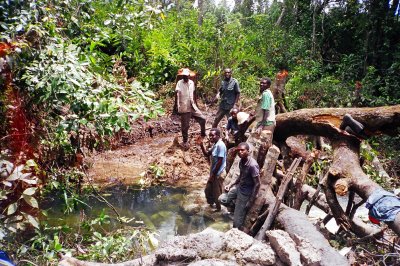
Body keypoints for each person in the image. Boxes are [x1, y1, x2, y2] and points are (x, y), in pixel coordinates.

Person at [219, 142, 260, 230]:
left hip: (245, 193)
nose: (240, 152)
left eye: (242, 150)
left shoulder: (252, 165)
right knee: (222, 199)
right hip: (239, 187)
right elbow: (241, 176)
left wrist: (251, 201)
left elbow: (257, 184)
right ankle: (236, 208)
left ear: (248, 151)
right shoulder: (241, 161)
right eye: (239, 150)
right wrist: (231, 184)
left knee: (236, 224)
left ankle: (239, 214)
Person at [175, 68, 206, 150]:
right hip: (184, 107)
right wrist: (177, 106)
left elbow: (193, 93)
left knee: (203, 119)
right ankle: (185, 141)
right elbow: (177, 94)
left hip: (192, 106)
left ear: (189, 76)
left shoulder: (192, 82)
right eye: (184, 76)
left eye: (186, 76)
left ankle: (203, 134)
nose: (185, 77)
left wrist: (196, 104)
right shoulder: (179, 83)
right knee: (185, 126)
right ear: (182, 76)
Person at [197, 128, 227, 212]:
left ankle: (219, 210)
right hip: (213, 174)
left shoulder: (220, 145)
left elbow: (220, 161)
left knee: (217, 193)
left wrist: (213, 175)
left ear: (218, 136)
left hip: (218, 174)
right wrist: (201, 145)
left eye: (212, 135)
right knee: (207, 190)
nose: (210, 137)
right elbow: (207, 154)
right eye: (209, 136)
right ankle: (212, 204)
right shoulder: (215, 145)